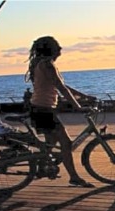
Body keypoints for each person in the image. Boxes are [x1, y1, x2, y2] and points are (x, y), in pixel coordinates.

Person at [25, 36, 96, 187]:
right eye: (57, 49)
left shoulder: (39, 64)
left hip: (39, 108)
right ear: (51, 50)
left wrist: (84, 96)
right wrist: (78, 107)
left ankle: (43, 167)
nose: (60, 52)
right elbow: (61, 87)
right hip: (43, 110)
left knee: (51, 143)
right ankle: (74, 177)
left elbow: (62, 85)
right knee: (66, 143)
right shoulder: (47, 65)